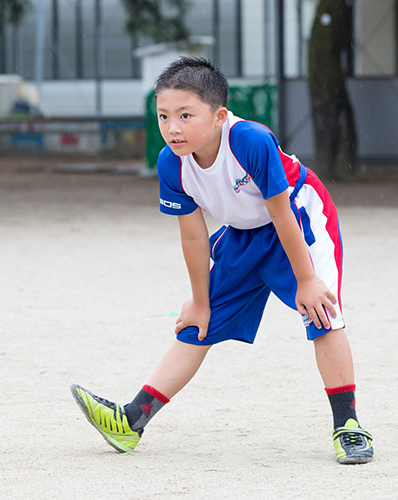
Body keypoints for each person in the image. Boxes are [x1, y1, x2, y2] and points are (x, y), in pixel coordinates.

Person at [71, 57, 373, 464]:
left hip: (297, 218)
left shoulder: (250, 140)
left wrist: (306, 279)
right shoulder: (169, 164)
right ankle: (131, 420)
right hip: (242, 232)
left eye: (185, 115)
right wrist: (199, 300)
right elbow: (194, 235)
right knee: (200, 322)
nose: (172, 127)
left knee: (322, 315)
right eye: (163, 116)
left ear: (219, 116)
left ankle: (348, 426)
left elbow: (283, 214)